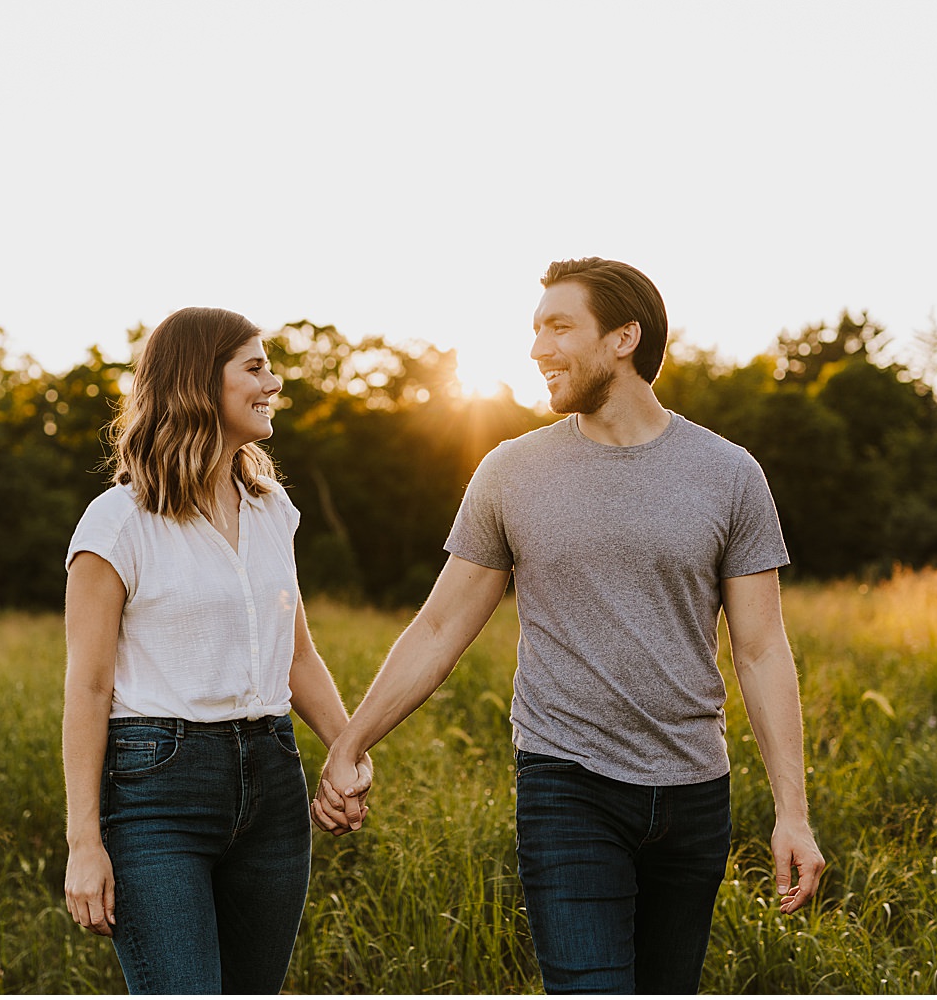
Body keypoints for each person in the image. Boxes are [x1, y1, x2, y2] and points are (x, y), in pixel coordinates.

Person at [313, 259, 825, 994]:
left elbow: (762, 648)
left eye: (558, 326)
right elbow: (438, 627)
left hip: (695, 791)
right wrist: (350, 740)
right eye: (534, 327)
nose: (536, 349)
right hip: (568, 783)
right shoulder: (511, 471)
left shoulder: (728, 473)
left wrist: (793, 814)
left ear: (624, 337)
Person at [60, 307, 369, 994]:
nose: (275, 382)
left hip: (273, 778)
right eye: (255, 367)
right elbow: (87, 688)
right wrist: (85, 841)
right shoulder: (117, 521)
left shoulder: (271, 507)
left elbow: (297, 656)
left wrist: (350, 750)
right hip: (158, 791)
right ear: (200, 381)